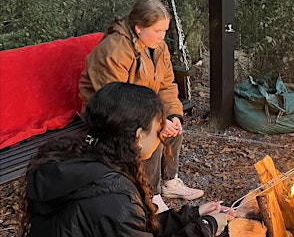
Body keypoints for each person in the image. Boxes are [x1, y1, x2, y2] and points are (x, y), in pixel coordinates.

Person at [19, 82, 234, 237]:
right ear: (139, 136)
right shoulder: (112, 195)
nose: (161, 137)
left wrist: (193, 214)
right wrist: (206, 226)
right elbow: (120, 218)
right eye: (159, 129)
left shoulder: (83, 162)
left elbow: (130, 226)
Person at [79, 0, 203, 201]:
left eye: (165, 30)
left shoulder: (158, 47)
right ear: (138, 28)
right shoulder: (115, 51)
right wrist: (156, 122)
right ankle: (151, 195)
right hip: (107, 112)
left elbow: (166, 84)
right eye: (157, 31)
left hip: (141, 105)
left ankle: (170, 182)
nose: (162, 36)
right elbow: (116, 100)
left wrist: (171, 115)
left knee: (173, 126)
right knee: (151, 136)